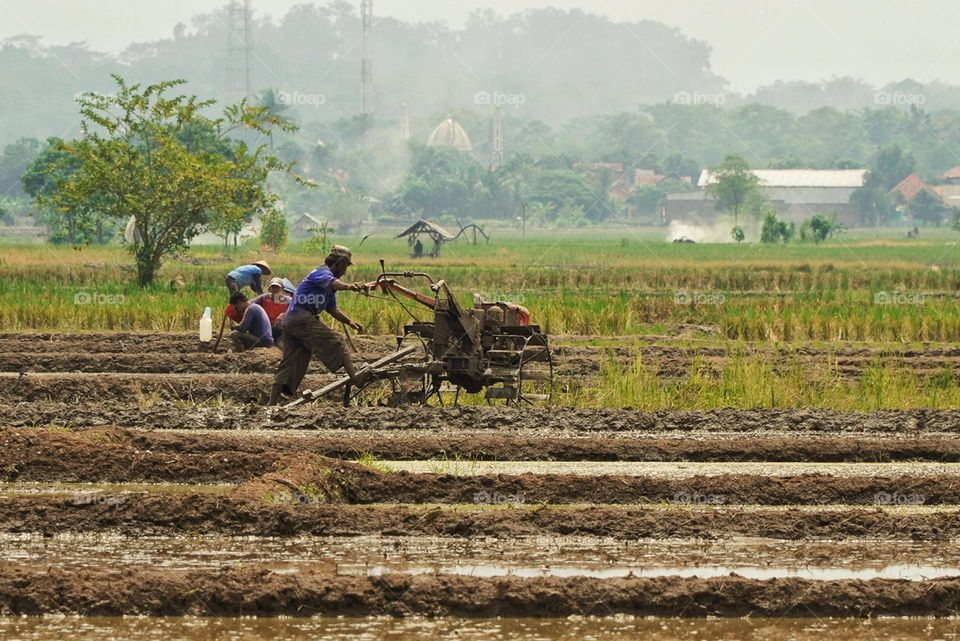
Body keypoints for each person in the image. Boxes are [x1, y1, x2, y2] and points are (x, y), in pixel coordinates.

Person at [268, 245, 366, 405]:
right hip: (300, 318)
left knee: (291, 362)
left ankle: (271, 405)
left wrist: (349, 322)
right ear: (339, 263)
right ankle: (356, 379)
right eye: (346, 266)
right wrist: (350, 286)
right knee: (338, 341)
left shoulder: (328, 288)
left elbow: (332, 309)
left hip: (291, 321)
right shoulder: (321, 273)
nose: (345, 271)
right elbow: (335, 283)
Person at [252, 277, 291, 342]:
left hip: (280, 328)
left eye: (277, 287)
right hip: (265, 327)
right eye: (273, 287)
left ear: (282, 289)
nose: (275, 289)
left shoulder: (287, 300)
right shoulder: (264, 297)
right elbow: (250, 304)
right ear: (270, 289)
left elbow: (296, 309)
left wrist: (284, 315)